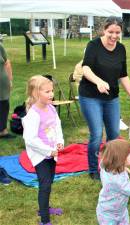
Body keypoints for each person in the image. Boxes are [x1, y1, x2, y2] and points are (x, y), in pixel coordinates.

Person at [79, 16, 130, 180]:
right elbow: (86, 68)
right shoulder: (93, 45)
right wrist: (98, 81)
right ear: (104, 30)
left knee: (113, 133)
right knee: (97, 134)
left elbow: (123, 74)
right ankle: (93, 170)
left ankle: (113, 166)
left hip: (111, 98)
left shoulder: (121, 49)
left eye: (117, 32)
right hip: (90, 96)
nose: (113, 36)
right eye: (110, 32)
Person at [22, 75, 64, 225]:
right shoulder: (33, 115)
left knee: (49, 181)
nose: (51, 94)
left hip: (52, 154)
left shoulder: (51, 108)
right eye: (47, 92)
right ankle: (44, 220)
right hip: (41, 157)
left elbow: (57, 126)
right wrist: (48, 151)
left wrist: (59, 142)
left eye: (51, 90)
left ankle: (45, 207)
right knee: (45, 186)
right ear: (35, 94)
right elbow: (30, 139)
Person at [0, 40, 15, 139]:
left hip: (2, 83)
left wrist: (10, 79)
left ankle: (3, 131)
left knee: (4, 104)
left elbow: (7, 62)